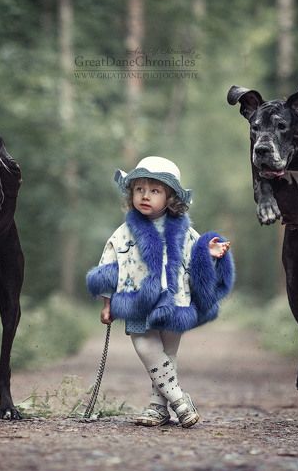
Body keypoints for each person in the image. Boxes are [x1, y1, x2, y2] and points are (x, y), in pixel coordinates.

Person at [86, 156, 235, 428]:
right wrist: (107, 303)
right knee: (145, 345)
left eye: (154, 191)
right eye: (139, 189)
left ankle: (158, 407)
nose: (145, 196)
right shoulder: (124, 232)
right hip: (137, 298)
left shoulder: (183, 231)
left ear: (170, 198)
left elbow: (196, 258)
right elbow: (109, 265)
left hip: (175, 299)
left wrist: (210, 252)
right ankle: (179, 400)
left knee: (167, 352)